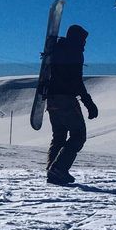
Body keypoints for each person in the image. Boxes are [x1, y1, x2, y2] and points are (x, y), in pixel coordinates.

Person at [45, 24, 98, 185]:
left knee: (59, 136)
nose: (85, 44)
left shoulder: (57, 49)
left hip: (52, 99)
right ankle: (59, 169)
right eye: (83, 40)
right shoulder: (74, 52)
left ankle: (52, 171)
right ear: (77, 38)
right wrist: (88, 103)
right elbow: (76, 80)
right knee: (78, 134)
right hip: (66, 99)